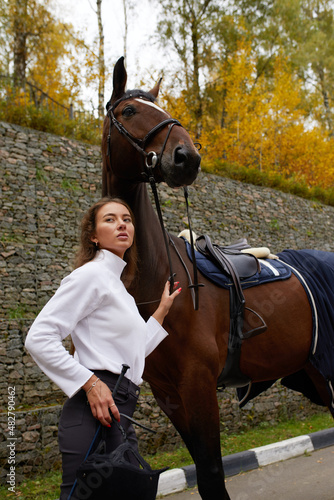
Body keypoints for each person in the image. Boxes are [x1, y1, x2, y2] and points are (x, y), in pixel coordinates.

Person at [25, 196, 181, 499]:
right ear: (93, 236)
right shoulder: (91, 276)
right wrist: (91, 383)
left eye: (127, 219)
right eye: (110, 219)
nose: (121, 223)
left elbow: (133, 353)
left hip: (121, 409)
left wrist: (162, 310)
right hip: (94, 409)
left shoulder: (116, 285)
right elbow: (39, 337)